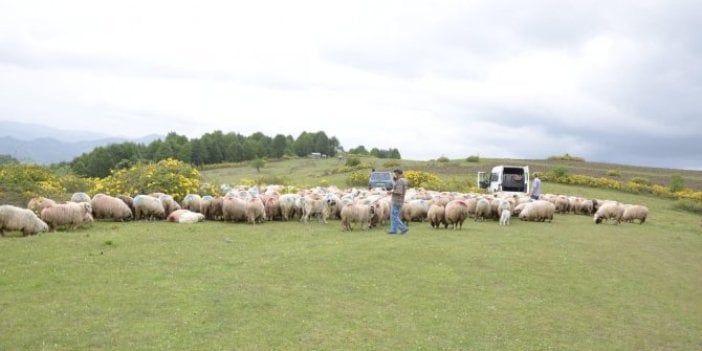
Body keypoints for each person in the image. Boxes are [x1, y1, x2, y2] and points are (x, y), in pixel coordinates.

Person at [387, 168, 409, 234]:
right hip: (399, 201)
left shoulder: (400, 181)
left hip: (397, 201)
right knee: (394, 216)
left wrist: (391, 192)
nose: (394, 174)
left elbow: (399, 192)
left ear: (397, 173)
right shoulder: (402, 180)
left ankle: (403, 228)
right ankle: (393, 230)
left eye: (395, 173)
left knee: (394, 216)